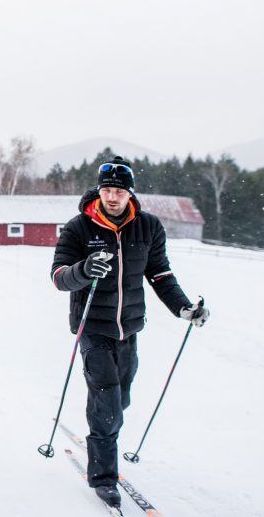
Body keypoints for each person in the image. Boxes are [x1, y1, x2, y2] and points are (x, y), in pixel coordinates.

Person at [50, 156, 209, 510]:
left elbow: (161, 275)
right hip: (92, 327)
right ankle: (104, 477)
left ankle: (103, 433)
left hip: (129, 328)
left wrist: (184, 308)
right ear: (98, 190)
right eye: (107, 190)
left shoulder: (148, 227)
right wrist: (84, 269)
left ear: (129, 193)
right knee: (107, 401)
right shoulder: (79, 228)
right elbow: (59, 276)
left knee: (119, 400)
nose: (112, 197)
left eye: (119, 191)